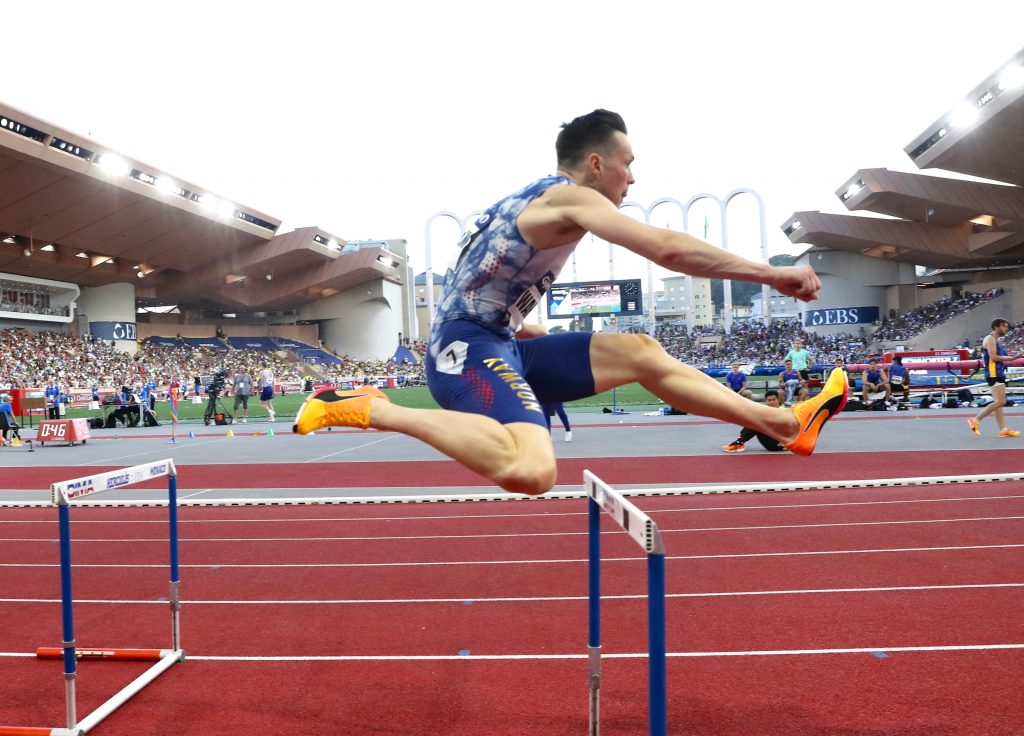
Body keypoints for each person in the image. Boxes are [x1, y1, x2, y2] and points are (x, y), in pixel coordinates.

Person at [292, 109, 848, 495]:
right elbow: (665, 248)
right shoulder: (567, 198)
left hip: (498, 342)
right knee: (531, 469)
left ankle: (782, 424)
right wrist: (768, 275)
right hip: (460, 350)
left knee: (643, 351)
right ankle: (371, 408)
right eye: (629, 161)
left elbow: (485, 287)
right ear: (597, 165)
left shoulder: (539, 201)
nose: (635, 176)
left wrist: (519, 327)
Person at [969, 318, 1024, 437]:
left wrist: (1015, 356)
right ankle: (976, 420)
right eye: (1004, 326)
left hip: (998, 372)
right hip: (994, 373)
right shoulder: (990, 339)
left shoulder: (996, 340)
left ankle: (1003, 429)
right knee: (1001, 401)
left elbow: (1003, 356)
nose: (1006, 329)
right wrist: (1013, 358)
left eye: (1007, 327)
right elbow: (994, 357)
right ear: (996, 327)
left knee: (998, 403)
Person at [722, 390, 787, 452]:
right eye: (769, 400)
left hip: (779, 444)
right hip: (771, 441)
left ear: (778, 400)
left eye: (774, 400)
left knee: (758, 423)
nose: (772, 402)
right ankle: (739, 442)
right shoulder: (766, 411)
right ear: (766, 401)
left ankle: (739, 443)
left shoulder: (783, 411)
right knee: (755, 421)